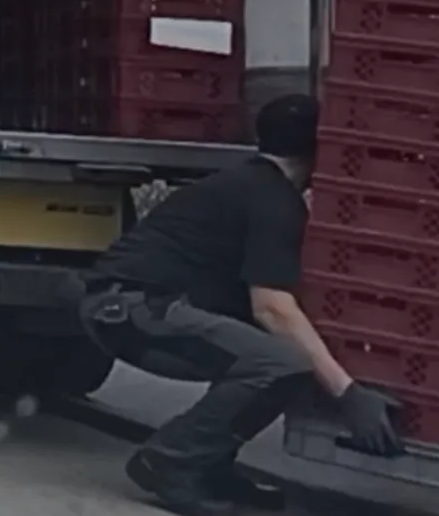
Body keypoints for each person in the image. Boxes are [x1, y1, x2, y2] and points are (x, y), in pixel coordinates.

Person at [81, 93, 402, 515]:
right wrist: (348, 393)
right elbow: (272, 308)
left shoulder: (248, 183)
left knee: (263, 353)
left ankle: (208, 466)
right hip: (133, 311)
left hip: (129, 308)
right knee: (280, 363)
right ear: (318, 148)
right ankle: (169, 462)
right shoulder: (274, 202)